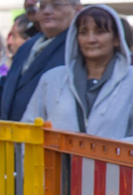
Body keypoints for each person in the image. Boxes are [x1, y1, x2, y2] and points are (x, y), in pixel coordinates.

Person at [22, 5, 133, 139]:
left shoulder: (130, 81)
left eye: (100, 31)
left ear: (116, 38)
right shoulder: (52, 79)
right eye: (84, 32)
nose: (91, 39)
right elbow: (28, 131)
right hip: (55, 161)